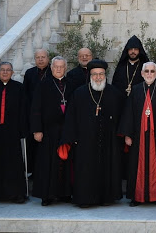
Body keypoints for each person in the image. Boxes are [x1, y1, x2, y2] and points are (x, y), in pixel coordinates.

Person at [61, 59, 124, 207]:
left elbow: (122, 116)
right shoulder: (79, 93)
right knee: (85, 170)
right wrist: (73, 137)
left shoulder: (114, 93)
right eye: (95, 74)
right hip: (85, 141)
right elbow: (71, 117)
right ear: (90, 75)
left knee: (107, 168)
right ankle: (85, 199)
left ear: (105, 75)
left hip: (108, 140)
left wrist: (120, 136)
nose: (98, 77)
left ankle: (106, 198)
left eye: (101, 74)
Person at [30, 56, 80, 206]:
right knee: (48, 163)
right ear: (51, 68)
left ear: (65, 68)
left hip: (67, 129)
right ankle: (48, 195)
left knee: (67, 162)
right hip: (49, 130)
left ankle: (65, 193)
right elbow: (36, 109)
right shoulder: (43, 84)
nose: (58, 69)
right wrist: (36, 130)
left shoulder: (72, 84)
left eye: (61, 67)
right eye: (56, 67)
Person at [118, 61, 156, 206]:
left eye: (152, 71)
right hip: (138, 136)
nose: (149, 74)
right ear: (141, 73)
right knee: (136, 166)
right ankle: (137, 197)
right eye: (146, 71)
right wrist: (127, 134)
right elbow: (128, 112)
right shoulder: (135, 90)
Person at [0, 62, 28, 203]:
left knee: (13, 163)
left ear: (12, 72)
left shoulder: (19, 88)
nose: (5, 72)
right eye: (2, 70)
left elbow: (23, 110)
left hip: (13, 131)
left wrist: (22, 129)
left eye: (8, 70)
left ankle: (16, 194)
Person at [23, 48, 51, 175]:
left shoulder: (53, 71)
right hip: (32, 115)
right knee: (32, 145)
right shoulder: (29, 73)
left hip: (49, 115)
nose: (40, 59)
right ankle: (32, 171)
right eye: (38, 57)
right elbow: (25, 94)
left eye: (43, 57)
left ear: (48, 58)